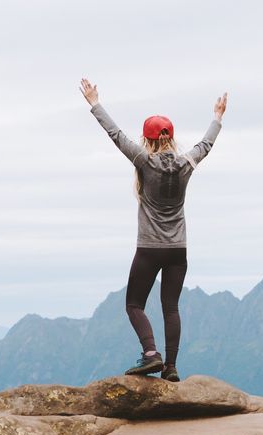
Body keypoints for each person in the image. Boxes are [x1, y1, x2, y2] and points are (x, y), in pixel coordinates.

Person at [80, 78, 227, 381]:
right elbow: (206, 145)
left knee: (134, 304)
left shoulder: (144, 161)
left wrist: (95, 103)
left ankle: (151, 354)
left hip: (149, 249)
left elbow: (116, 135)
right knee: (170, 307)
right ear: (171, 138)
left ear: (147, 140)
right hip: (178, 250)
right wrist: (217, 117)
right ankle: (170, 368)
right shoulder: (187, 163)